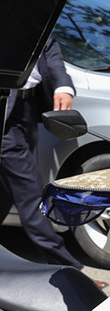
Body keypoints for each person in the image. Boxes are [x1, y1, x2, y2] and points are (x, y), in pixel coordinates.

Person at [0, 36, 85, 269]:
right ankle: (67, 269)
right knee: (31, 198)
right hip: (5, 116)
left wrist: (63, 86)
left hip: (26, 111)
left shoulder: (36, 14)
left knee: (6, 194)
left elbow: (51, 52)